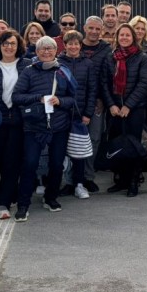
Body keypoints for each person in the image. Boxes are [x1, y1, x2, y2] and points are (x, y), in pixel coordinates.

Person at [12, 36, 76, 221]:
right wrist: (39, 97)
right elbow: (17, 97)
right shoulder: (28, 71)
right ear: (37, 52)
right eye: (42, 49)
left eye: (50, 48)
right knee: (30, 164)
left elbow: (73, 99)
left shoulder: (63, 71)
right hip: (35, 125)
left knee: (57, 164)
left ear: (56, 51)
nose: (46, 52)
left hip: (59, 126)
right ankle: (23, 204)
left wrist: (60, 101)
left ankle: (51, 198)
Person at [0, 29, 32, 219]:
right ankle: (8, 195)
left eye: (12, 43)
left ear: (18, 46)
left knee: (12, 162)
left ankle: (2, 203)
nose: (9, 47)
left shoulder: (27, 66)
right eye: (5, 43)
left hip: (20, 121)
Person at [101, 23, 147, 197]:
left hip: (134, 110)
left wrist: (128, 105)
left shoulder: (142, 57)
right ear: (117, 37)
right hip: (114, 110)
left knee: (133, 146)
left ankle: (133, 181)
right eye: (121, 35)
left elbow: (144, 83)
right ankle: (120, 180)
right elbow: (104, 84)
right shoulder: (110, 57)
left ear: (133, 38)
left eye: (127, 35)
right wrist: (112, 105)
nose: (124, 38)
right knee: (117, 146)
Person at [57, 31, 97, 199]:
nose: (73, 47)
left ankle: (79, 184)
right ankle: (68, 183)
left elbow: (92, 90)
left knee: (78, 151)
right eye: (70, 44)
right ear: (64, 45)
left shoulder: (88, 64)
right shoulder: (57, 63)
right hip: (62, 114)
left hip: (80, 114)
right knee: (63, 150)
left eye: (76, 44)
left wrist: (87, 113)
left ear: (80, 46)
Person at [79, 16, 112, 192]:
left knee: (94, 138)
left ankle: (88, 176)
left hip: (98, 102)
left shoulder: (106, 49)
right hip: (77, 102)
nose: (93, 32)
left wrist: (102, 99)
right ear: (84, 28)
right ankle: (74, 177)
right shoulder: (76, 44)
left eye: (97, 29)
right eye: (91, 28)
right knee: (75, 139)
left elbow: (106, 77)